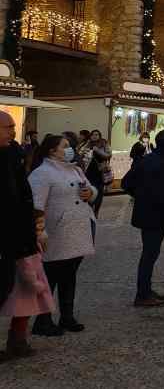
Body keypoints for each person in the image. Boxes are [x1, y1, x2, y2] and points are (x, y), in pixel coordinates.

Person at [29, 133, 97, 336]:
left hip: (78, 230)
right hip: (57, 233)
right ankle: (43, 320)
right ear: (52, 150)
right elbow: (35, 206)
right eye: (65, 146)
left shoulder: (75, 169)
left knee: (69, 275)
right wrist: (39, 231)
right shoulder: (42, 173)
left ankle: (67, 316)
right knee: (50, 277)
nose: (70, 149)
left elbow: (91, 188)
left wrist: (90, 193)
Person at [1, 112, 53, 360]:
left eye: (13, 126)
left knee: (18, 288)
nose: (13, 131)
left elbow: (21, 197)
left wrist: (32, 228)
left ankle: (17, 341)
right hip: (7, 238)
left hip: (18, 239)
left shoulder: (13, 155)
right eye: (8, 127)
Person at [121, 129, 164, 308]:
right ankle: (143, 293)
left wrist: (140, 195)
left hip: (145, 214)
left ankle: (146, 290)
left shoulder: (145, 160)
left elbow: (126, 183)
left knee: (149, 253)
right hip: (158, 216)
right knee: (149, 255)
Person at [83, 130, 112, 217]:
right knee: (90, 189)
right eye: (93, 135)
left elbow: (108, 155)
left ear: (100, 136)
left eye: (97, 134)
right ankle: (90, 207)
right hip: (89, 171)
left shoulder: (104, 143)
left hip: (100, 171)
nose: (94, 136)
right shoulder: (88, 144)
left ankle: (96, 210)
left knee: (99, 191)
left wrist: (98, 150)